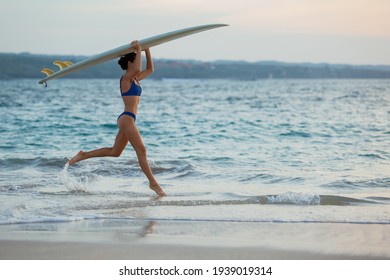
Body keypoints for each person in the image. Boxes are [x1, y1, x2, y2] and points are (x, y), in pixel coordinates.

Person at [68, 41, 166, 196]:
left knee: (115, 152)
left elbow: (150, 69)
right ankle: (153, 183)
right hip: (126, 119)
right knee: (141, 150)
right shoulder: (125, 79)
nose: (137, 64)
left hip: (128, 120)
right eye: (135, 60)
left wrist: (147, 50)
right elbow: (139, 68)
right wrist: (139, 49)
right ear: (129, 63)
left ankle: (83, 154)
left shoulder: (135, 79)